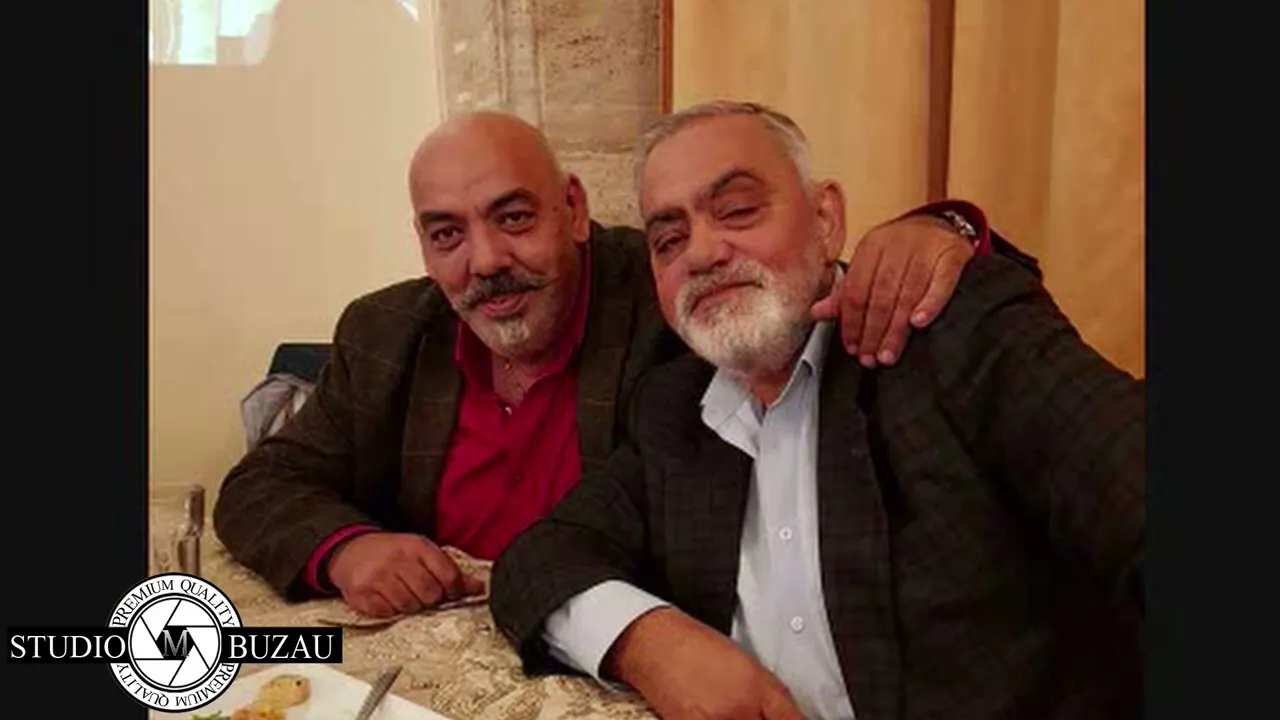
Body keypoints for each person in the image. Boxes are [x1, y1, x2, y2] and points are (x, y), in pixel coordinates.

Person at [213, 111, 1036, 622]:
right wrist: (347, 549)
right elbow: (260, 485)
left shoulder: (673, 293)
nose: (486, 261)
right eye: (447, 234)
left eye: (514, 217)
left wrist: (948, 230)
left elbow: (833, 290)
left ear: (574, 208)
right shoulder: (385, 332)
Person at [489, 101, 1144, 720]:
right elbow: (540, 557)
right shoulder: (674, 410)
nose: (703, 252)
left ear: (826, 218)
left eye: (737, 210)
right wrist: (649, 643)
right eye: (668, 239)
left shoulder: (950, 333)